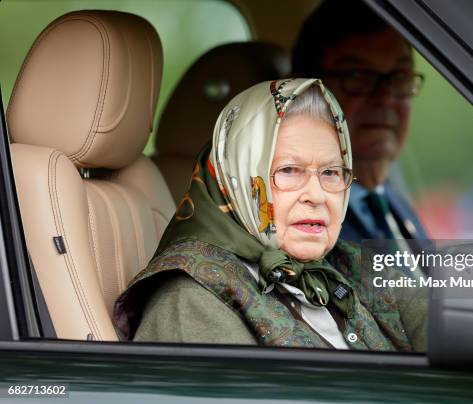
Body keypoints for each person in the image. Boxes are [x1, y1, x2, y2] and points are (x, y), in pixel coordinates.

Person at [113, 78, 427, 351]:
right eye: (289, 170)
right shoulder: (191, 301)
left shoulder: (352, 266)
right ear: (238, 178)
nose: (317, 196)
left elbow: (455, 325)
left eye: (332, 173)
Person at [292, 0, 428, 244]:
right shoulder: (298, 225)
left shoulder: (392, 207)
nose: (385, 97)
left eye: (399, 77)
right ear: (304, 93)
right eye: (356, 76)